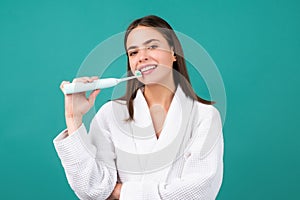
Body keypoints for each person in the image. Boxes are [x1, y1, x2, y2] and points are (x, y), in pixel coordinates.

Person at [54, 15, 224, 200]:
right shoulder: (110, 114)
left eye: (152, 46)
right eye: (133, 52)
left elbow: (198, 193)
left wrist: (120, 192)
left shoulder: (205, 116)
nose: (142, 57)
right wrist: (73, 117)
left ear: (173, 52)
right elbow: (92, 189)